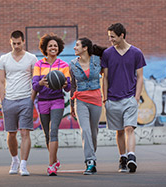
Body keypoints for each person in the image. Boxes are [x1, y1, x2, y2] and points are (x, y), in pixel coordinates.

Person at [101, 23, 146, 173]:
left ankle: (132, 156)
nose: (110, 40)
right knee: (119, 131)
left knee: (129, 128)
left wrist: (136, 97)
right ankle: (123, 158)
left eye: (112, 37)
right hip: (112, 99)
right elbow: (105, 77)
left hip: (129, 98)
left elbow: (140, 77)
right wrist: (105, 99)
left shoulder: (136, 53)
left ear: (122, 35)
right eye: (109, 37)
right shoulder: (107, 54)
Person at [0, 30, 38, 176]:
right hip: (9, 101)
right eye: (14, 43)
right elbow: (1, 82)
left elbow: (35, 80)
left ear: (23, 41)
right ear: (10, 42)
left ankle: (24, 165)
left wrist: (31, 99)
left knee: (25, 132)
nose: (16, 46)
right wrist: (3, 102)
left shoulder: (32, 58)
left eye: (19, 43)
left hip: (26, 99)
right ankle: (14, 160)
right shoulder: (3, 59)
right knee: (11, 133)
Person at [32, 33, 71, 176]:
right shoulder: (38, 64)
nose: (53, 48)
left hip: (57, 101)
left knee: (53, 130)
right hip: (42, 101)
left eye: (55, 45)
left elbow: (68, 87)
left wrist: (66, 84)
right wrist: (41, 83)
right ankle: (55, 160)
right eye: (50, 46)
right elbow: (35, 86)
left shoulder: (64, 65)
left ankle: (51, 165)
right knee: (47, 134)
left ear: (58, 48)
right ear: (45, 48)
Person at [70, 38, 105, 175]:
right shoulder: (72, 64)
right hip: (80, 100)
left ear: (85, 48)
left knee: (93, 132)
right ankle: (90, 161)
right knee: (85, 130)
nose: (74, 48)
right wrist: (72, 104)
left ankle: (91, 154)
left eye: (77, 45)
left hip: (96, 100)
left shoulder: (98, 60)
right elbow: (73, 85)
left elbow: (111, 53)